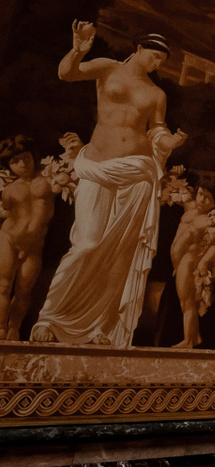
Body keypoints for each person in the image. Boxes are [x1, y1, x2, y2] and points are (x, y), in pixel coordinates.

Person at [32, 24, 180, 347]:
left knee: (119, 255)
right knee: (86, 242)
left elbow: (157, 128)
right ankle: (50, 317)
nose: (156, 63)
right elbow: (66, 74)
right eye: (154, 56)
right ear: (139, 48)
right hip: (99, 166)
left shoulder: (157, 94)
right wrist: (78, 50)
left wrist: (169, 141)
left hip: (137, 173)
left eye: (161, 61)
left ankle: (103, 327)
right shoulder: (107, 68)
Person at [0, 145, 57, 340]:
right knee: (3, 286)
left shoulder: (49, 180)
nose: (23, 164)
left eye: (26, 158)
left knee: (24, 291)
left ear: (33, 156)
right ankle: (0, 328)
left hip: (34, 245)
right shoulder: (9, 189)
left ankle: (14, 327)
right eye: (15, 162)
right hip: (9, 238)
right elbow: (7, 212)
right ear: (9, 166)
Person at [170, 185, 215, 351]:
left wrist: (204, 262)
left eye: (208, 197)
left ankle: (188, 341)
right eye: (200, 194)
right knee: (184, 301)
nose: (202, 199)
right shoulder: (192, 208)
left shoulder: (212, 219)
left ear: (214, 202)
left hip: (189, 261)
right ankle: (194, 336)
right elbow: (176, 194)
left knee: (187, 302)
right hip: (179, 262)